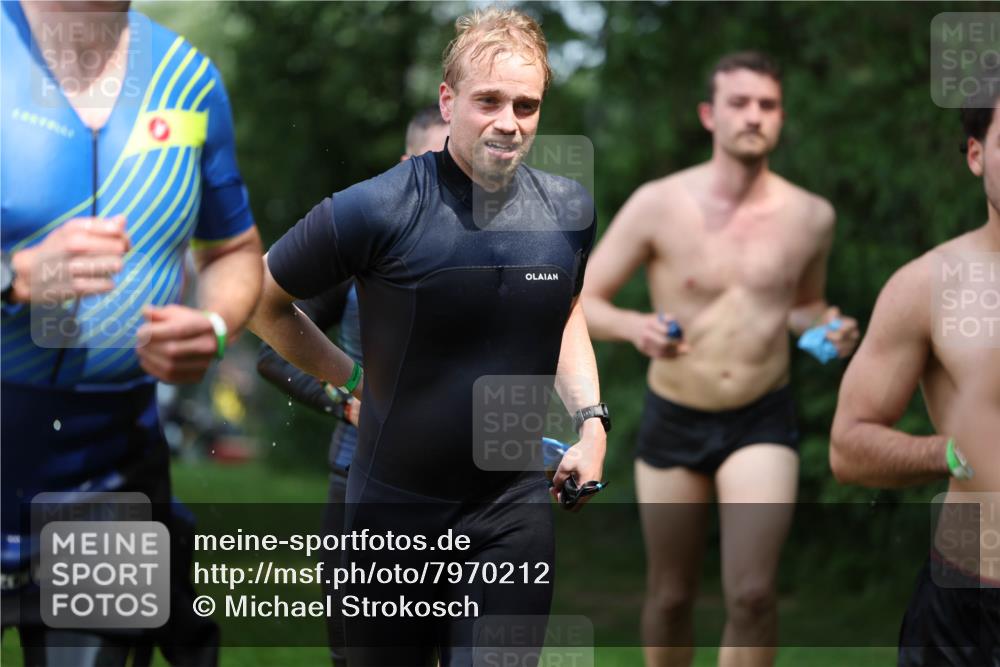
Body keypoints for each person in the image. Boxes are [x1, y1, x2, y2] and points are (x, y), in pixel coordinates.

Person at [248, 7, 606, 664]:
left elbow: (567, 306)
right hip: (394, 509)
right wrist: (351, 377)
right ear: (449, 101)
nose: (508, 121)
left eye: (526, 105)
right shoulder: (375, 207)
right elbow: (262, 299)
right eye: (488, 100)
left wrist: (591, 420)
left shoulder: (567, 210)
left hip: (511, 510)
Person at [0, 2, 262, 665]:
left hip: (109, 475)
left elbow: (234, 249)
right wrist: (12, 277)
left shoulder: (186, 77)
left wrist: (214, 323)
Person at [580, 51, 860, 667]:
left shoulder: (812, 217)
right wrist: (637, 328)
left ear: (781, 117)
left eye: (768, 104)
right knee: (672, 595)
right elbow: (585, 303)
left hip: (762, 417)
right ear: (710, 114)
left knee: (754, 595)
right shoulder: (659, 203)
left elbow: (802, 306)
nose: (754, 116)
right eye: (739, 102)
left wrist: (831, 326)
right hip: (675, 415)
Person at [255, 104, 448, 667]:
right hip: (359, 478)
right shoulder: (367, 240)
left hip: (462, 490)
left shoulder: (490, 247)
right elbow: (273, 349)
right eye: (432, 158)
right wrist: (349, 401)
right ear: (406, 161)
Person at [829, 74, 999, 666]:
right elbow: (848, 449)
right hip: (970, 608)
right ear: (977, 155)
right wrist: (949, 452)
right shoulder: (928, 286)